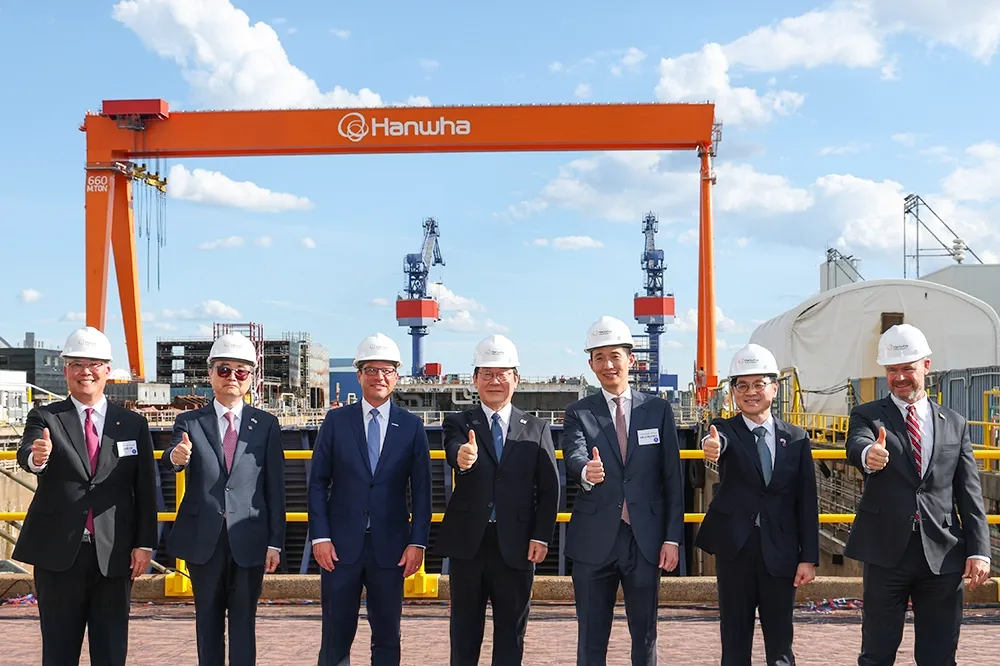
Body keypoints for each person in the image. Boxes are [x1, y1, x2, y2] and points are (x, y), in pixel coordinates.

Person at [845, 324, 991, 665]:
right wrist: (869, 455)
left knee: (939, 655)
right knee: (877, 653)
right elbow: (857, 444)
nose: (899, 377)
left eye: (907, 368)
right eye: (892, 370)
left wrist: (980, 551)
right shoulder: (867, 415)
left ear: (926, 366)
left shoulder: (954, 423)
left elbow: (969, 492)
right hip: (886, 553)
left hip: (943, 555)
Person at [13, 326, 158, 666]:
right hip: (59, 554)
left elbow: (146, 490)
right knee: (59, 651)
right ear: (65, 370)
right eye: (77, 363)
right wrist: (38, 457)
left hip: (115, 554)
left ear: (108, 370)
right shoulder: (46, 417)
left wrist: (145, 544)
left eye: (94, 363)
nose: (85, 372)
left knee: (110, 651)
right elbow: (27, 453)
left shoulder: (132, 424)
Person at [562, 316, 684, 666]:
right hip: (594, 541)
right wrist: (586, 470)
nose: (608, 365)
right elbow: (574, 453)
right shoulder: (578, 412)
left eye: (614, 355)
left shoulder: (657, 410)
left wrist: (672, 538)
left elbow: (672, 478)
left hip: (644, 540)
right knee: (591, 637)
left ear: (631, 359)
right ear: (590, 365)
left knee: (645, 635)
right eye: (599, 357)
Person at [434, 334, 560, 666]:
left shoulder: (536, 428)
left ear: (516, 379)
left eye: (502, 373)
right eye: (487, 374)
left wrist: (541, 536)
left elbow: (550, 489)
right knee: (464, 632)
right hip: (469, 544)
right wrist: (462, 456)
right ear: (474, 379)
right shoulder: (459, 423)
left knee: (511, 632)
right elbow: (452, 451)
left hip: (517, 546)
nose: (495, 381)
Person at [161, 332, 286, 666]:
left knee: (245, 621)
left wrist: (275, 542)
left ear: (251, 378)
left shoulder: (267, 424)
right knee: (208, 621)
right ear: (210, 374)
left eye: (241, 371)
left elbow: (275, 488)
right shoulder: (189, 421)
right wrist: (177, 457)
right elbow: (172, 455)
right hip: (205, 540)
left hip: (250, 538)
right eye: (224, 369)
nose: (232, 377)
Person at [308, 333, 433, 666]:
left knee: (388, 637)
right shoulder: (336, 421)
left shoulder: (411, 427)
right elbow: (318, 482)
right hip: (338, 549)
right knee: (335, 636)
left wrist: (417, 543)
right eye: (372, 369)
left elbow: (422, 491)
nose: (379, 376)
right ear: (359, 374)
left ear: (397, 376)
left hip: (391, 549)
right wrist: (320, 537)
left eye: (387, 370)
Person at [697, 343, 819, 665]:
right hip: (736, 550)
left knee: (780, 643)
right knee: (735, 641)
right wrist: (711, 445)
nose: (750, 392)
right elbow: (714, 442)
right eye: (742, 385)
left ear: (774, 389)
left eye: (758, 384)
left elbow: (807, 501)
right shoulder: (724, 429)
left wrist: (808, 558)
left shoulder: (795, 438)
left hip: (781, 552)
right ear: (733, 392)